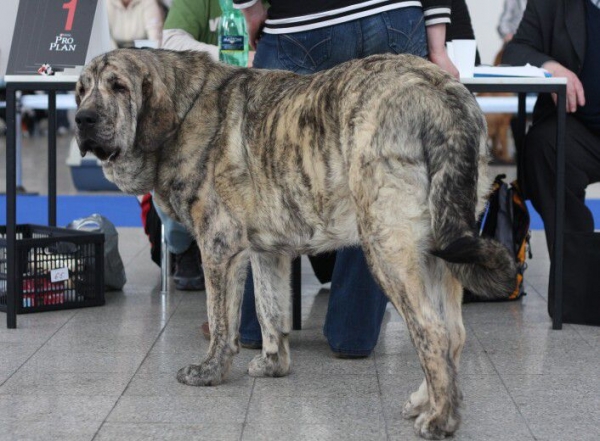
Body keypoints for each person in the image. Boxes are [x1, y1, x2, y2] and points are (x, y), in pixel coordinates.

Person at [234, 0, 459, 357]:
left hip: (305, 23)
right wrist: (438, 47)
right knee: (378, 179)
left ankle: (254, 328)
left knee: (267, 174)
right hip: (396, 19)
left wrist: (251, 12)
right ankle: (351, 333)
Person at [503, 0, 599, 254]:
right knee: (545, 146)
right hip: (581, 131)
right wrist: (551, 68)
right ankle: (576, 276)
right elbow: (515, 52)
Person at [149, 0, 222, 291]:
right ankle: (184, 248)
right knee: (173, 163)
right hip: (204, 106)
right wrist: (234, 56)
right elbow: (174, 41)